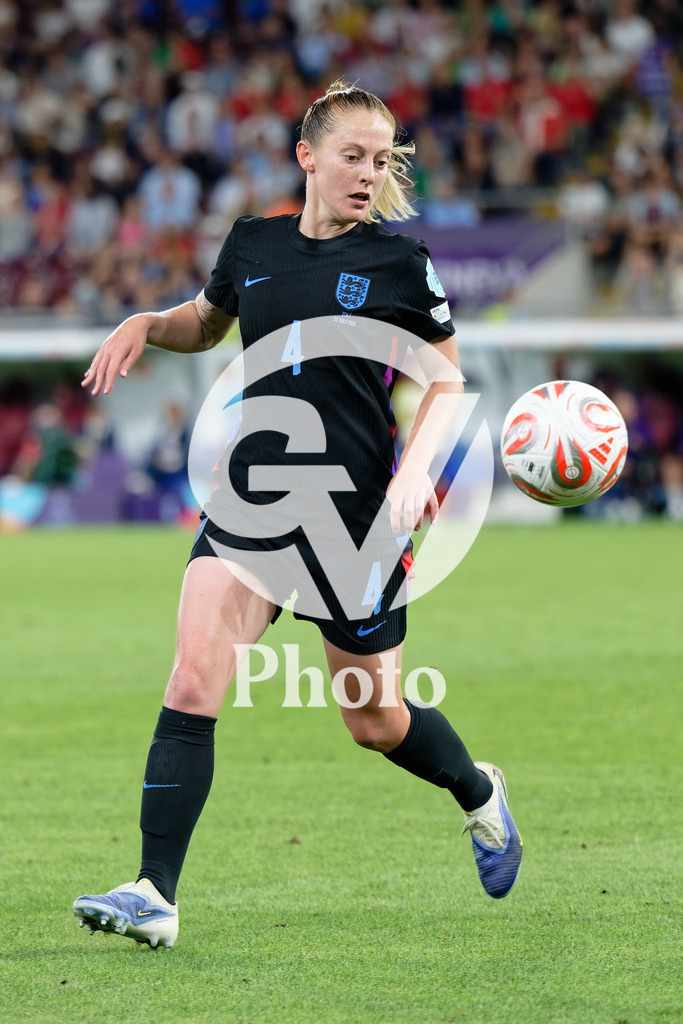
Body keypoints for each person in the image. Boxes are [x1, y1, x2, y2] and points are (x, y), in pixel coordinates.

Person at [73, 81, 522, 950]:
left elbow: (447, 383)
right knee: (191, 682)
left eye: (381, 158)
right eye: (352, 155)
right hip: (252, 502)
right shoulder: (253, 243)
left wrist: (416, 471)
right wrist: (143, 321)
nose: (368, 173)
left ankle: (477, 790)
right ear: (306, 156)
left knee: (373, 719)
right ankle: (154, 893)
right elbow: (205, 324)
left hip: (353, 522)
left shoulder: (399, 263)